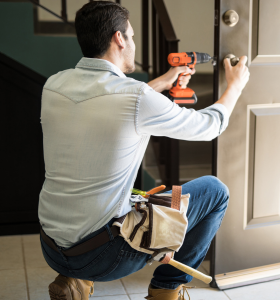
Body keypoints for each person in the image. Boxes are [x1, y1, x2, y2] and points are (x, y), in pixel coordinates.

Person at [38, 1, 249, 300]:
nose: (133, 42)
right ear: (119, 38)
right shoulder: (136, 97)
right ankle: (166, 289)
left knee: (124, 197)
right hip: (106, 254)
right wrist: (235, 86)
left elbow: (110, 105)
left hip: (52, 248)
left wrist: (164, 82)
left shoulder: (54, 86)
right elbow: (209, 126)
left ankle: (75, 280)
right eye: (133, 36)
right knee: (214, 191)